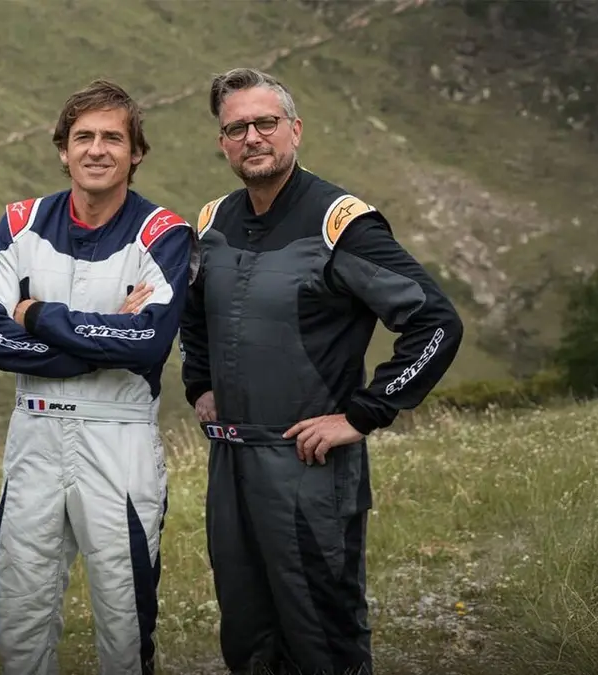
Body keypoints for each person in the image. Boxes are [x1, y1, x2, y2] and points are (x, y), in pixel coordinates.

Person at [179, 67, 465, 675]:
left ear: (295, 129)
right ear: (222, 142)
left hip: (308, 468)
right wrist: (199, 383)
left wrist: (364, 414)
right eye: (237, 128)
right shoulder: (213, 222)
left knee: (321, 633)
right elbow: (195, 313)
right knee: (248, 631)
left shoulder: (342, 224)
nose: (253, 137)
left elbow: (436, 323)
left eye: (266, 123)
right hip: (231, 462)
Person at [0, 79, 196, 675]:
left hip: (118, 436)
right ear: (63, 149)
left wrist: (37, 316)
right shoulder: (20, 222)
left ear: (136, 152)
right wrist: (101, 344)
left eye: (113, 139)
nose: (97, 150)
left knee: (125, 621)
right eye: (84, 137)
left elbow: (150, 339)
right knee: (19, 614)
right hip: (34, 432)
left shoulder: (165, 233)